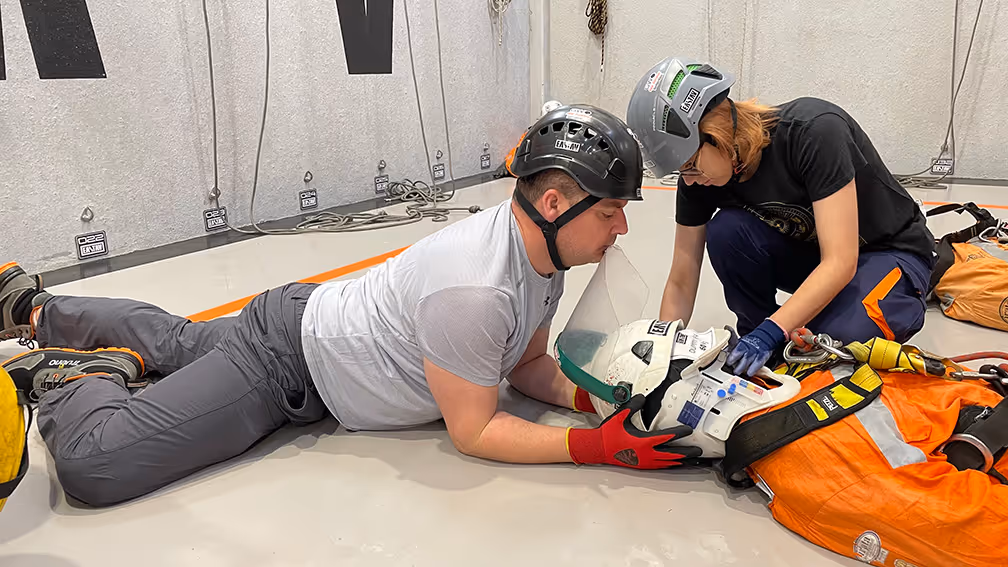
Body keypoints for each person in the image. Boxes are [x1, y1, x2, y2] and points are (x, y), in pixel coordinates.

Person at [0, 105, 700, 508]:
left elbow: (524, 364)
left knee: (177, 341)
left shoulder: (544, 257)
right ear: (553, 203)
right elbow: (475, 430)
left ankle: (31, 306)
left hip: (303, 321)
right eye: (610, 211)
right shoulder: (476, 287)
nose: (622, 228)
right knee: (97, 465)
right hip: (286, 366)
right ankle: (71, 379)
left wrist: (591, 400)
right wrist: (593, 447)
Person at [625, 56, 936, 377]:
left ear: (716, 133)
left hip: (888, 253)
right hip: (817, 257)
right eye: (681, 171)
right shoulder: (700, 177)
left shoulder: (814, 132)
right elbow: (682, 274)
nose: (688, 180)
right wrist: (659, 352)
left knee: (827, 349)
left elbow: (841, 262)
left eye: (690, 166)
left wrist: (773, 331)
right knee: (726, 231)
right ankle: (760, 337)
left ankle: (777, 333)